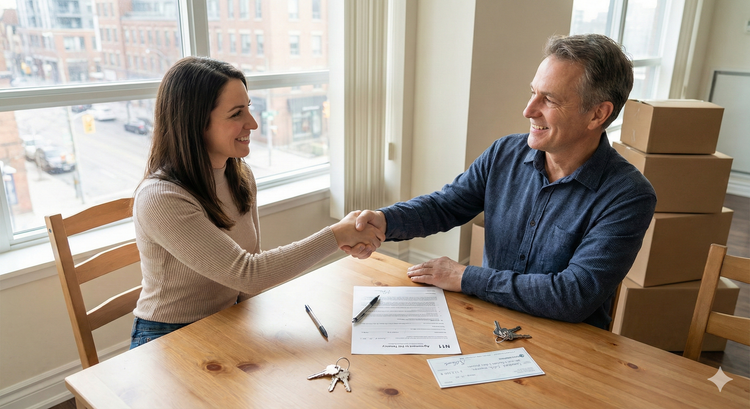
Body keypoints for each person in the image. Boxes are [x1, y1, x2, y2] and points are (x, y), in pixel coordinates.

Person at [346, 34, 657, 330]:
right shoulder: (504, 153)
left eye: (548, 100)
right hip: (489, 320)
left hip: (567, 345)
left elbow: (573, 295)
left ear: (597, 115)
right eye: (533, 92)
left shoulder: (629, 196)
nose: (528, 110)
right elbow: (446, 205)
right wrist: (384, 220)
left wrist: (465, 277)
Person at [130, 56, 384, 348]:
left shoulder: (238, 174)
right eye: (236, 114)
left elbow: (248, 279)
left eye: (248, 108)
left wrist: (258, 328)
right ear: (195, 123)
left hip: (227, 319)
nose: (252, 123)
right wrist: (338, 235)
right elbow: (248, 273)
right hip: (167, 335)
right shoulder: (161, 199)